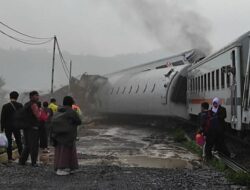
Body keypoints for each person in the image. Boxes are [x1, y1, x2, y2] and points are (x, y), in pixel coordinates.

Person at [51, 96, 81, 176]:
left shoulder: (58, 111)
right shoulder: (71, 111)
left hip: (57, 135)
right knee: (67, 152)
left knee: (59, 152)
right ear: (71, 103)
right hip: (68, 136)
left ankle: (59, 168)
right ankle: (65, 168)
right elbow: (79, 121)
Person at [19, 91, 41, 167]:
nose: (38, 97)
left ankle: (22, 161)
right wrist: (40, 110)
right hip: (33, 127)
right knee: (34, 145)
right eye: (36, 95)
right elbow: (38, 115)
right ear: (31, 97)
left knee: (27, 145)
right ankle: (34, 162)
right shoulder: (34, 105)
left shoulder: (26, 104)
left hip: (26, 127)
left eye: (38, 95)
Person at [0, 91, 23, 162]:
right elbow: (22, 117)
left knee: (9, 142)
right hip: (16, 126)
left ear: (10, 97)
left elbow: (2, 118)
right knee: (19, 141)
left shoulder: (5, 106)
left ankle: (9, 158)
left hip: (8, 127)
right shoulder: (20, 105)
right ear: (17, 97)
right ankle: (22, 156)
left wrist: (2, 128)